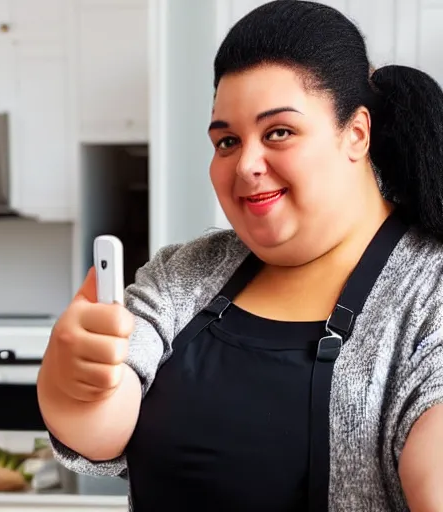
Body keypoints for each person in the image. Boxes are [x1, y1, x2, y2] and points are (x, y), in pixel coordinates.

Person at [37, 1, 443, 510]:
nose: (246, 164)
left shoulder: (430, 294)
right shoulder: (182, 274)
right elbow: (101, 433)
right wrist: (74, 385)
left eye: (279, 132)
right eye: (227, 141)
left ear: (356, 134)